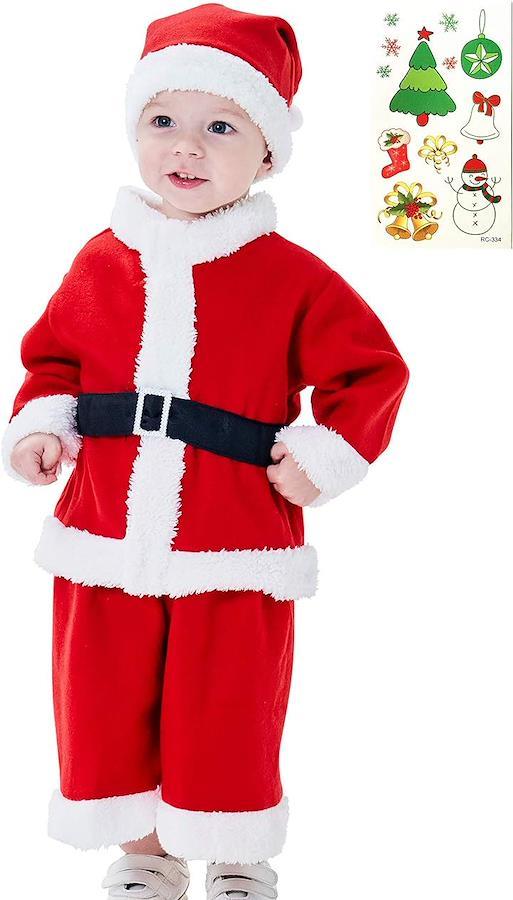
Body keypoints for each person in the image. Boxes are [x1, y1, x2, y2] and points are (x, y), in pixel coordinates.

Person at [1, 4, 410, 899]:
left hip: (233, 538)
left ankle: (234, 852)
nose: (184, 147)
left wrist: (324, 454)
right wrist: (40, 426)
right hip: (104, 532)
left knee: (227, 702)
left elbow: (371, 370)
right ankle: (146, 851)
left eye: (219, 127)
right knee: (104, 698)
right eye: (162, 121)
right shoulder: (101, 260)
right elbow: (52, 359)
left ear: (266, 152)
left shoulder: (290, 275)